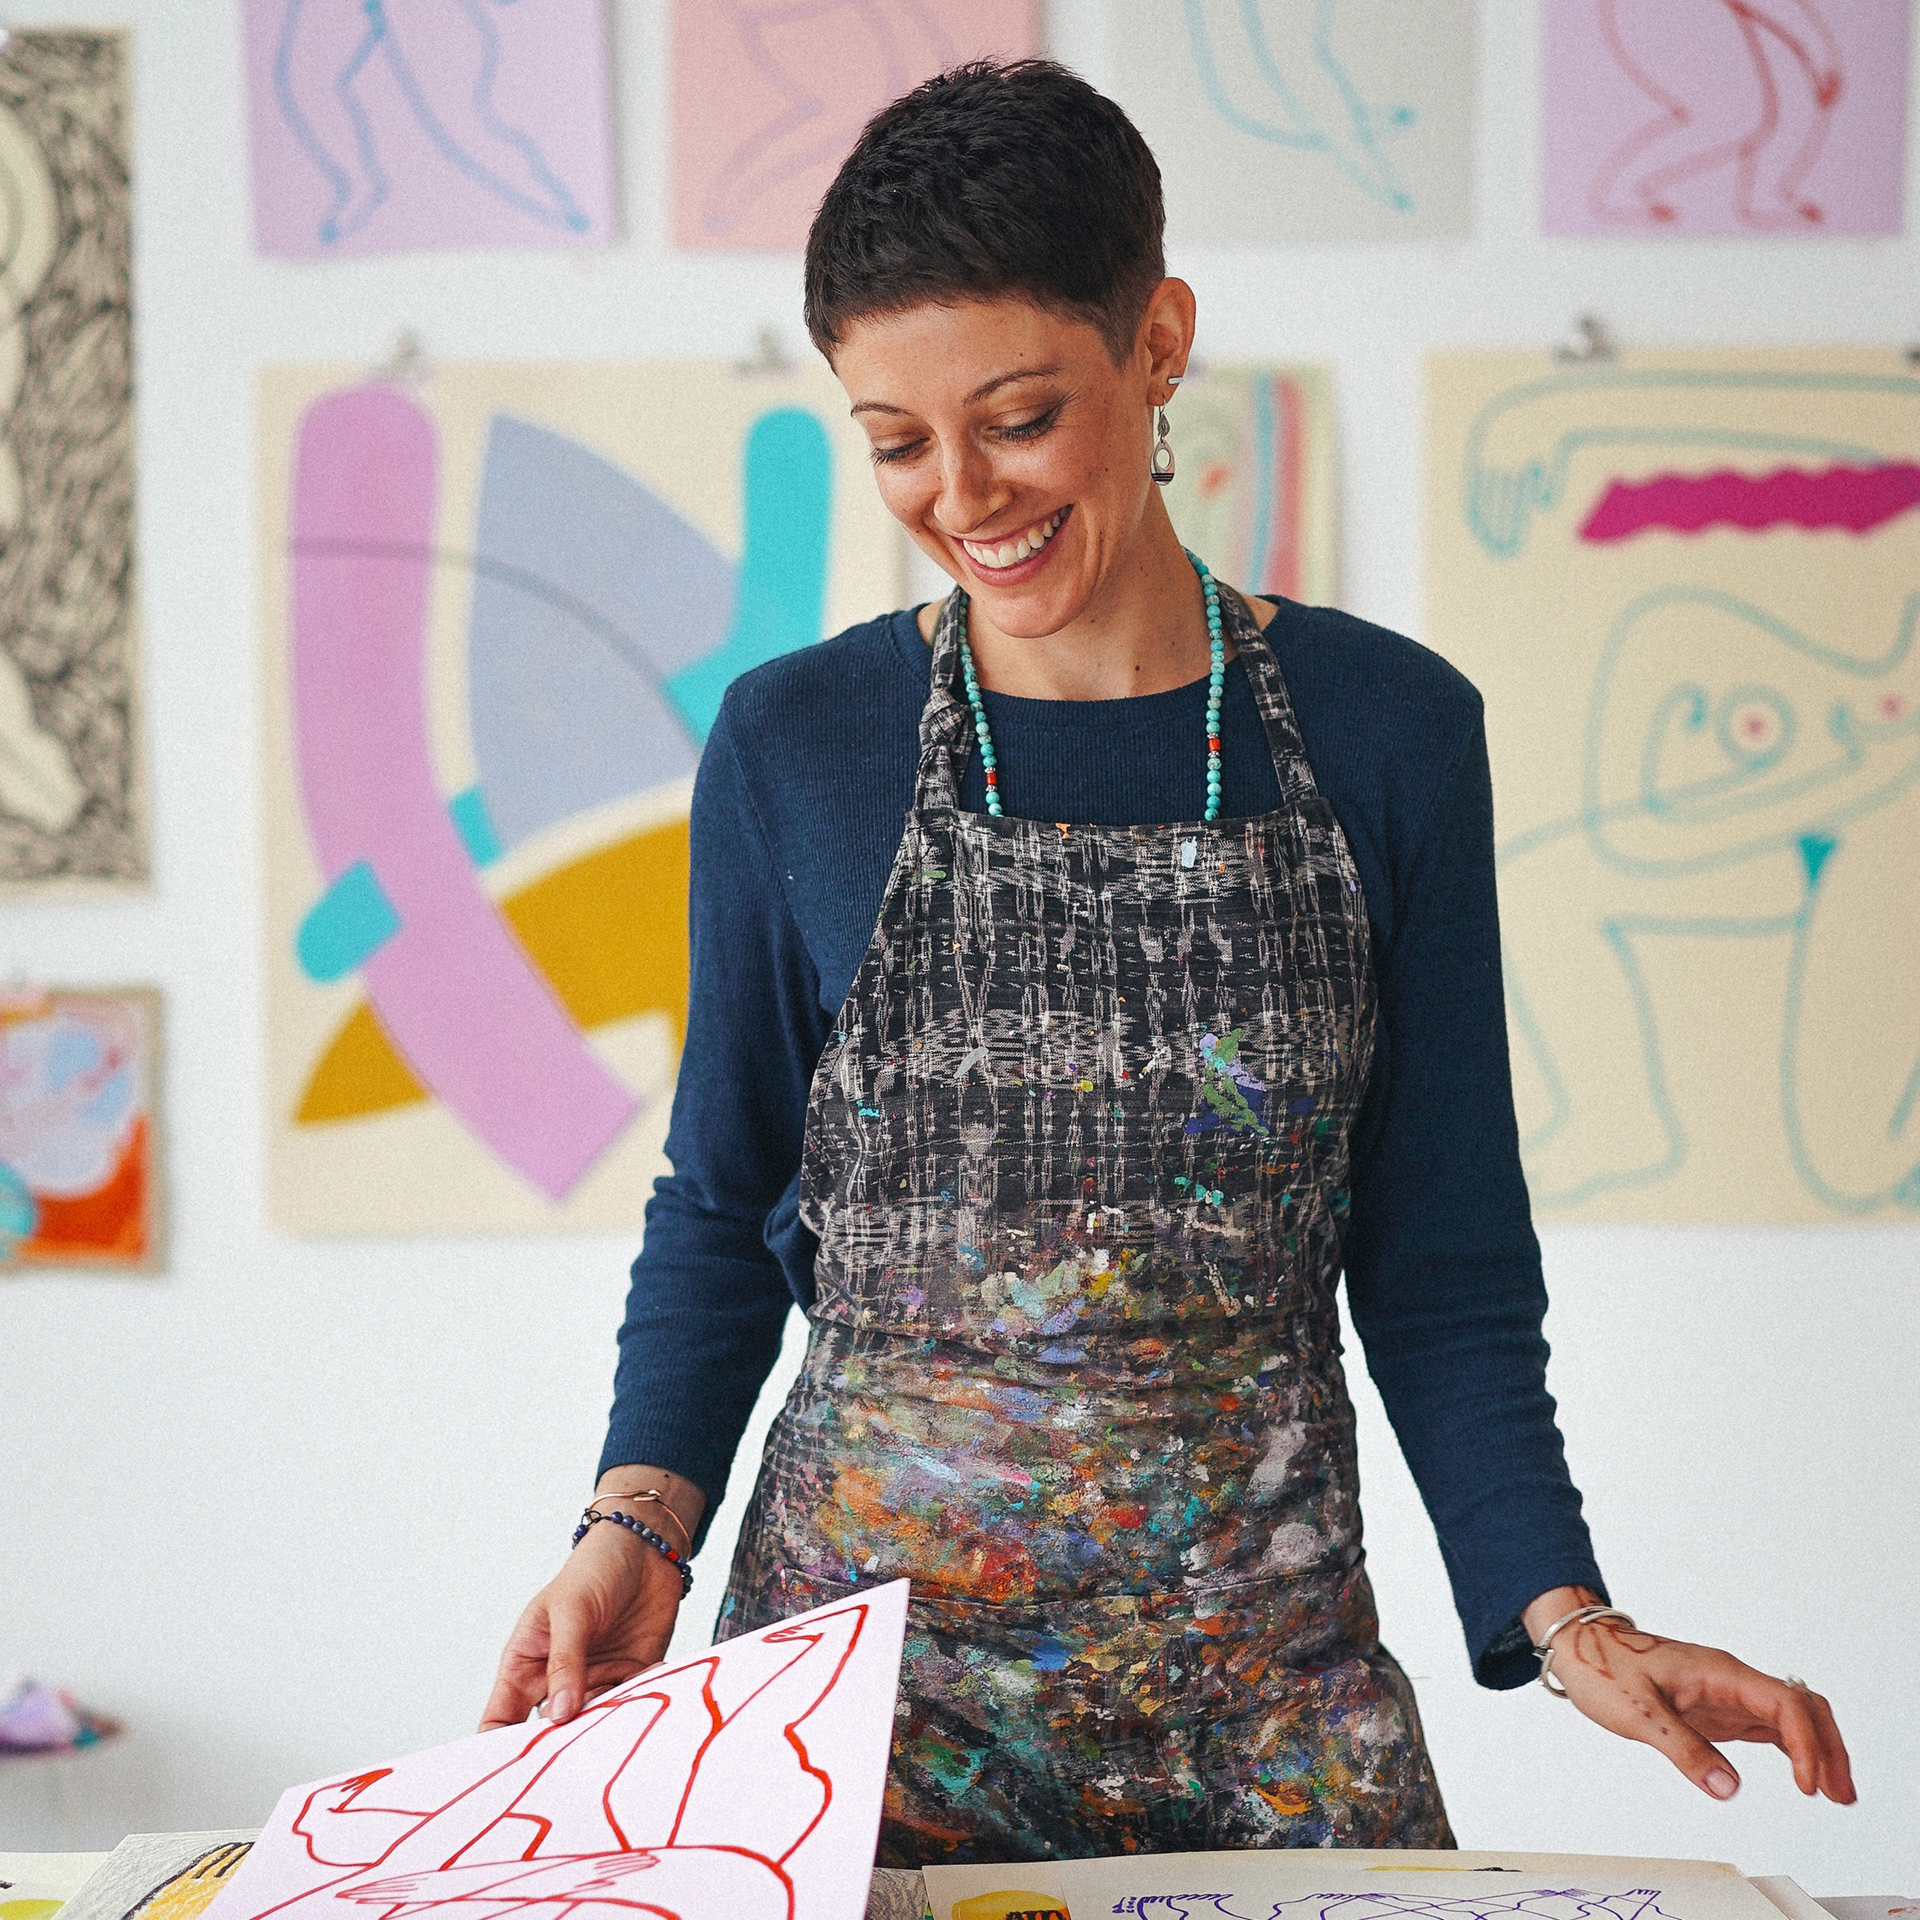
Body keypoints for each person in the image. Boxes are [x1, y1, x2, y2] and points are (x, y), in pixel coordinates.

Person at [481, 59, 1854, 1863]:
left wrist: (1561, 1613)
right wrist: (633, 1529)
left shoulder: (1391, 733)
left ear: (1157, 344)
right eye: (896, 441)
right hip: (858, 1716)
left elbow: (1438, 1261)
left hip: (1269, 1714)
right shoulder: (793, 746)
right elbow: (724, 1199)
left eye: (1020, 415)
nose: (962, 492)